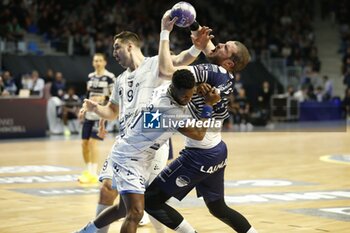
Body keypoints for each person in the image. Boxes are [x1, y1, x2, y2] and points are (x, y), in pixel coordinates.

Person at [76, 31, 210, 233]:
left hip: (152, 147)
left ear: (130, 46)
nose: (114, 53)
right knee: (110, 191)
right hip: (129, 143)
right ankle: (91, 231)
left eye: (116, 47)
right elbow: (113, 111)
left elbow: (181, 60)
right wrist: (96, 110)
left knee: (145, 202)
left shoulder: (156, 64)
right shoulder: (120, 80)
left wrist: (196, 48)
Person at [143, 11, 258, 233]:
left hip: (199, 152)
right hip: (217, 150)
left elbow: (167, 71)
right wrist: (191, 22)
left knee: (151, 200)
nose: (219, 43)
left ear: (228, 62)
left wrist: (165, 31)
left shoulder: (212, 71)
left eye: (225, 47)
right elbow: (208, 46)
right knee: (218, 208)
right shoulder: (225, 75)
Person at [78, 53, 115, 184]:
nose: (97, 63)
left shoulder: (110, 78)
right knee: (84, 144)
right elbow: (87, 96)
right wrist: (83, 108)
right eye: (95, 61)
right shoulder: (90, 77)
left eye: (100, 60)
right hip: (89, 115)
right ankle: (88, 171)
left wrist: (103, 99)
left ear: (105, 62)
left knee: (93, 143)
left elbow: (115, 97)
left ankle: (93, 173)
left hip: (100, 115)